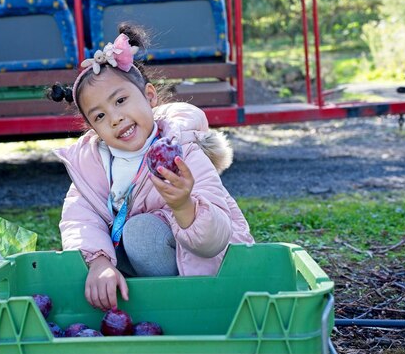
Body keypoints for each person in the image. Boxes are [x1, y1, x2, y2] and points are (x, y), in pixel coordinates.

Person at [49, 24, 254, 311]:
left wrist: (184, 205)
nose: (116, 118)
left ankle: (174, 309)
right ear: (92, 128)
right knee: (100, 250)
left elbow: (214, 241)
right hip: (140, 265)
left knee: (140, 233)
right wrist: (98, 262)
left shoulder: (181, 149)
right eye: (100, 116)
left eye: (121, 100)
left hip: (202, 276)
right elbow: (79, 220)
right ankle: (138, 309)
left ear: (149, 97)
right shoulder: (92, 166)